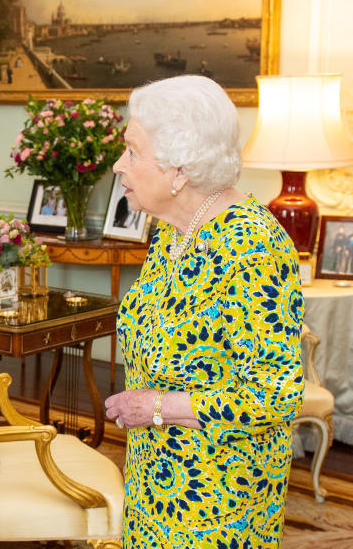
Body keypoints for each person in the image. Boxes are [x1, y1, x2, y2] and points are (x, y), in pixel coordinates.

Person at [103, 75, 304, 547]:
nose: (118, 165)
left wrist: (154, 406)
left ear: (180, 169)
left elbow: (274, 395)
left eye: (132, 152)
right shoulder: (174, 232)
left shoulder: (252, 247)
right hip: (155, 485)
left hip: (217, 502)